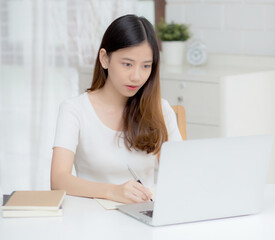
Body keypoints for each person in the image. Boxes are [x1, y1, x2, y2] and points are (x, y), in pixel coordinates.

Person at [50, 15, 182, 204]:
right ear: (105, 59)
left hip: (143, 220)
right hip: (91, 220)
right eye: (127, 64)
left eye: (146, 66)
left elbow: (180, 175)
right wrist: (113, 192)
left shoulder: (160, 109)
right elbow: (58, 180)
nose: (137, 76)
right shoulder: (74, 110)